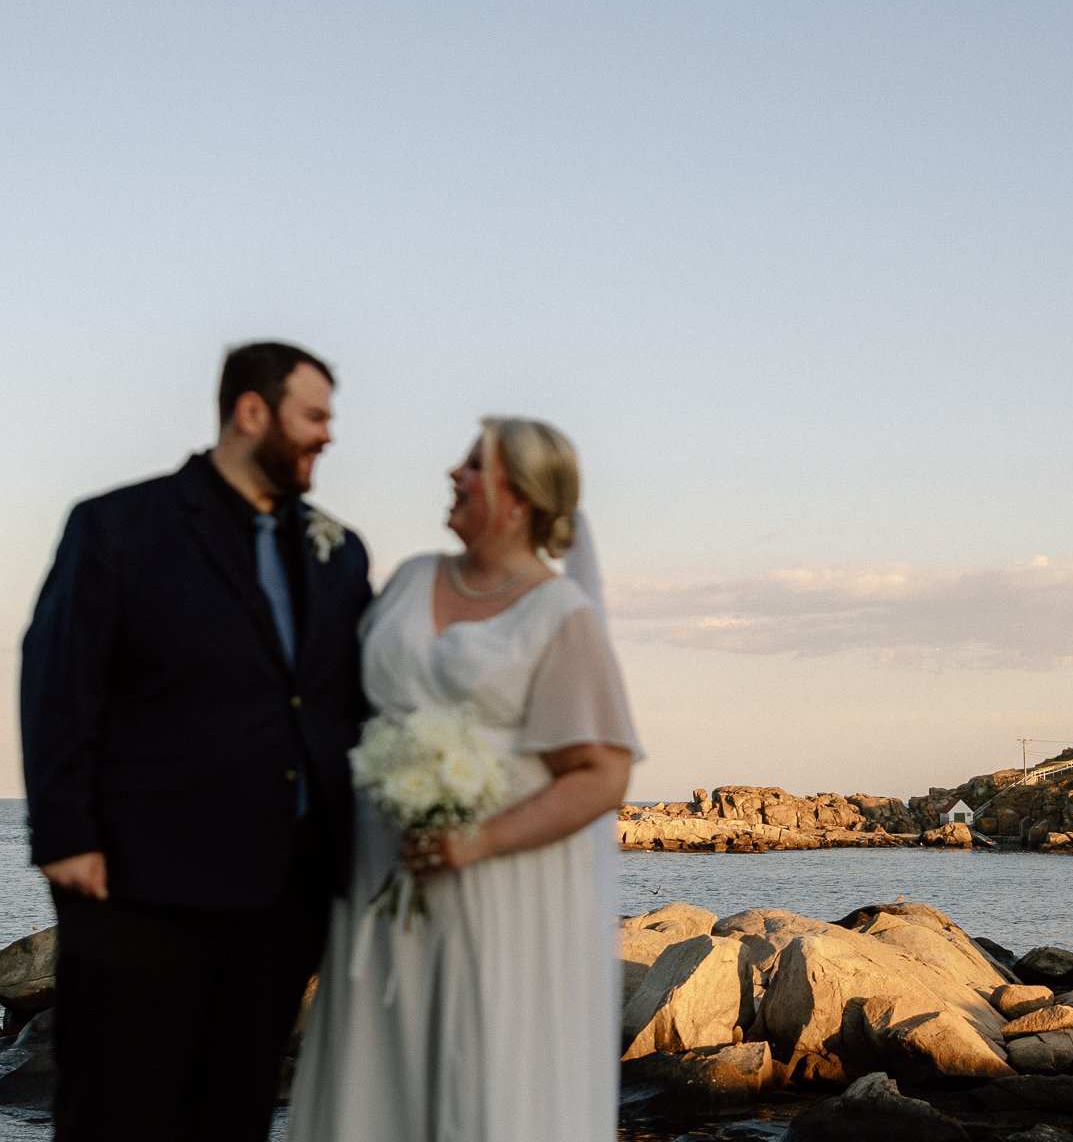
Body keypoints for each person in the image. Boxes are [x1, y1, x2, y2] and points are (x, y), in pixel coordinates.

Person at [20, 341, 372, 1142]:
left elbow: (348, 702)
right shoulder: (119, 526)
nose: (328, 435)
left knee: (235, 1116)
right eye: (314, 416)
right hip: (141, 890)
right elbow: (58, 677)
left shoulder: (339, 551)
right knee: (117, 1115)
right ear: (253, 411)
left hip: (284, 895)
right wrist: (65, 837)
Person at [288, 416, 641, 1142]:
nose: (453, 475)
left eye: (472, 465)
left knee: (478, 1073)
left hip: (498, 887)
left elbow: (602, 774)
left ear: (519, 497)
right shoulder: (412, 578)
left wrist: (478, 840)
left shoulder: (559, 613)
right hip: (380, 876)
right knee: (375, 1070)